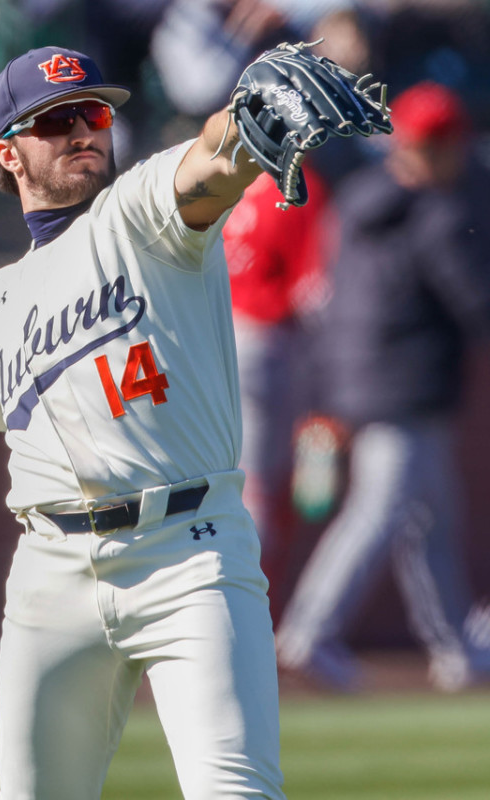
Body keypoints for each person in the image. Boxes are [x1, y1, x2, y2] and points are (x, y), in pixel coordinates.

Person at [0, 44, 384, 798]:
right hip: (52, 573)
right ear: (9, 152)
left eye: (92, 113)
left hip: (189, 556)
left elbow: (208, 164)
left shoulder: (141, 216)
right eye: (55, 120)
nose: (82, 131)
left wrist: (242, 120)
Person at [274, 82, 490, 692]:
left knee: (430, 519)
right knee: (381, 512)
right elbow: (488, 309)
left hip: (358, 383)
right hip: (403, 388)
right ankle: (310, 632)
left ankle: (456, 646)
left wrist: (324, 392)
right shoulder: (436, 214)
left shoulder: (357, 204)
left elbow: (326, 306)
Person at [222, 162, 331, 612]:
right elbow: (315, 292)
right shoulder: (298, 183)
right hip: (267, 342)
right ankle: (248, 616)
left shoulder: (216, 173)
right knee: (262, 493)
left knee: (226, 487)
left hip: (207, 338)